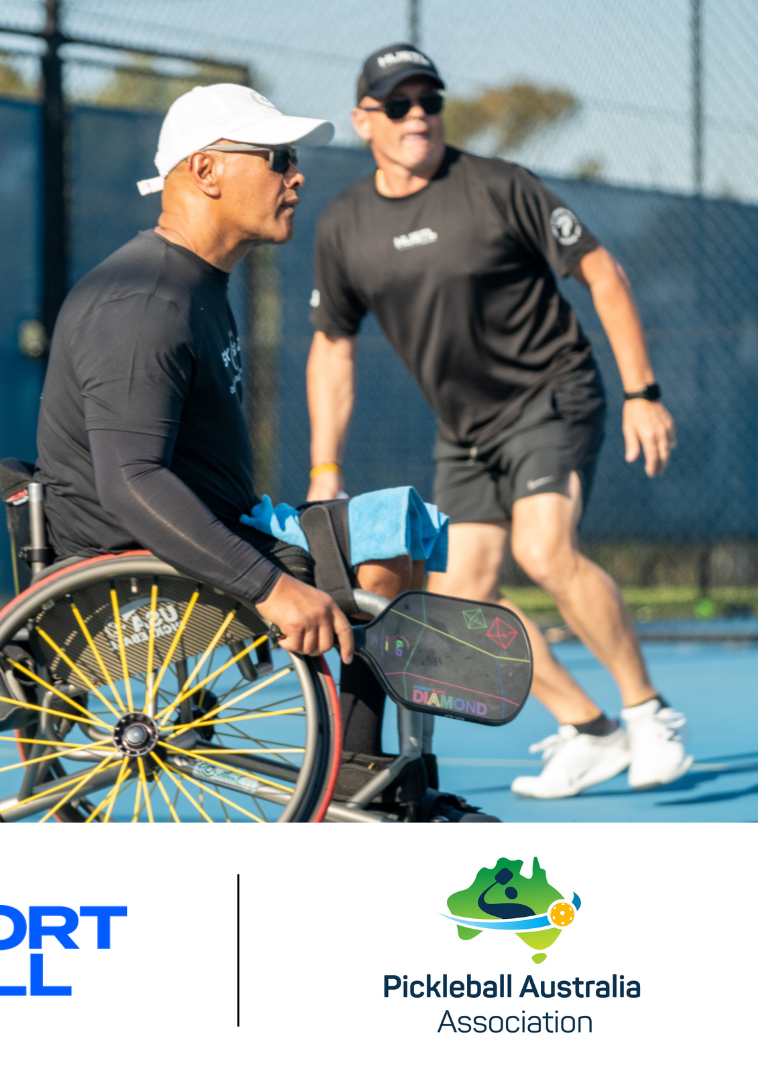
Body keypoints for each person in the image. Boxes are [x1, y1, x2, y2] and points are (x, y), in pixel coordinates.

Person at [35, 83, 486, 820]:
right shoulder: (145, 303)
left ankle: (385, 773)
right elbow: (131, 480)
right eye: (278, 159)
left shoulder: (193, 284)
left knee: (393, 530)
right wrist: (270, 587)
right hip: (132, 585)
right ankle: (356, 785)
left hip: (206, 536)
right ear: (206, 170)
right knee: (371, 552)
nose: (296, 177)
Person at [304, 43, 691, 799]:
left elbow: (602, 272)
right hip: (466, 434)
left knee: (543, 550)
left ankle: (649, 714)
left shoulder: (499, 185)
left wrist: (642, 392)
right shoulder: (344, 224)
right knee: (458, 601)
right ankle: (591, 730)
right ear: (364, 120)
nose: (418, 115)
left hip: (553, 393)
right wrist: (326, 469)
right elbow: (332, 350)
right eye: (398, 104)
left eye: (429, 101)